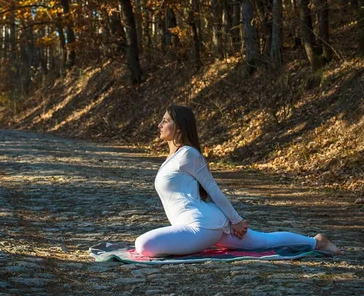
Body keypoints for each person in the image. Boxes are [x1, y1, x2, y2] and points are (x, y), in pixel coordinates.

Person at [135, 105, 342, 257]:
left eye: (165, 121)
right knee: (263, 241)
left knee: (143, 245)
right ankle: (316, 242)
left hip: (201, 226)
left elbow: (213, 189)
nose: (159, 125)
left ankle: (315, 243)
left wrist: (236, 220)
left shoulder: (188, 154)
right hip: (202, 225)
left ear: (178, 127)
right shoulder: (173, 157)